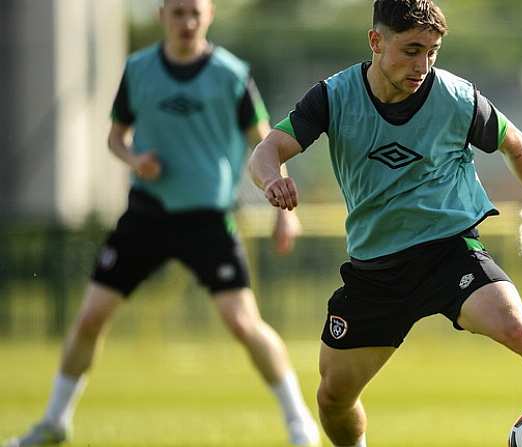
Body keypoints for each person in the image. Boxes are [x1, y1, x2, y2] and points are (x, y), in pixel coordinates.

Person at [247, 1, 522, 446]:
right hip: (377, 271)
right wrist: (272, 180)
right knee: (333, 396)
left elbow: (515, 145)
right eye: (411, 50)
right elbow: (265, 151)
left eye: (432, 51)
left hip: (448, 250)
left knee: (516, 326)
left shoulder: (454, 97)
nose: (422, 65)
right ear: (376, 41)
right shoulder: (333, 97)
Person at [3, 1, 321, 446]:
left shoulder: (230, 74)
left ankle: (299, 422)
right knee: (91, 316)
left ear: (208, 15)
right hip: (147, 214)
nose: (187, 22)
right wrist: (135, 160)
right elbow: (116, 138)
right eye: (178, 12)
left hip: (208, 218)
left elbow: (266, 142)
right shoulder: (138, 69)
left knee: (243, 322)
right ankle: (55, 420)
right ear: (162, 17)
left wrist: (285, 214)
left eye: (195, 12)